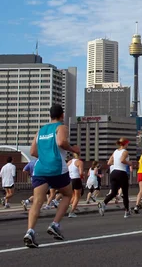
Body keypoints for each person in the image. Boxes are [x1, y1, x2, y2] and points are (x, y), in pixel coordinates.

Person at [23, 104, 80, 248]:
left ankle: (30, 232)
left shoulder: (41, 130)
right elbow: (61, 142)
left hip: (40, 169)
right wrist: (73, 149)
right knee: (68, 194)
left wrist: (44, 156)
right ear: (62, 115)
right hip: (56, 168)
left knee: (37, 201)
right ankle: (55, 224)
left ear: (50, 115)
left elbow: (33, 151)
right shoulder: (61, 127)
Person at [99, 138, 132, 218]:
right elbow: (122, 160)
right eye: (127, 144)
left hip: (113, 173)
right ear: (125, 144)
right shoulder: (125, 151)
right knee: (125, 193)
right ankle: (127, 211)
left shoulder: (115, 151)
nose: (128, 145)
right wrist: (129, 163)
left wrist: (116, 163)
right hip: (122, 173)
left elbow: (109, 162)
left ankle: (104, 203)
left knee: (113, 192)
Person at [66, 153, 84, 217]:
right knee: (77, 196)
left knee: (73, 196)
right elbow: (81, 173)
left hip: (70, 179)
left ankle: (67, 207)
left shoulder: (69, 162)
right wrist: (82, 176)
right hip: (76, 179)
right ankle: (71, 212)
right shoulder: (79, 162)